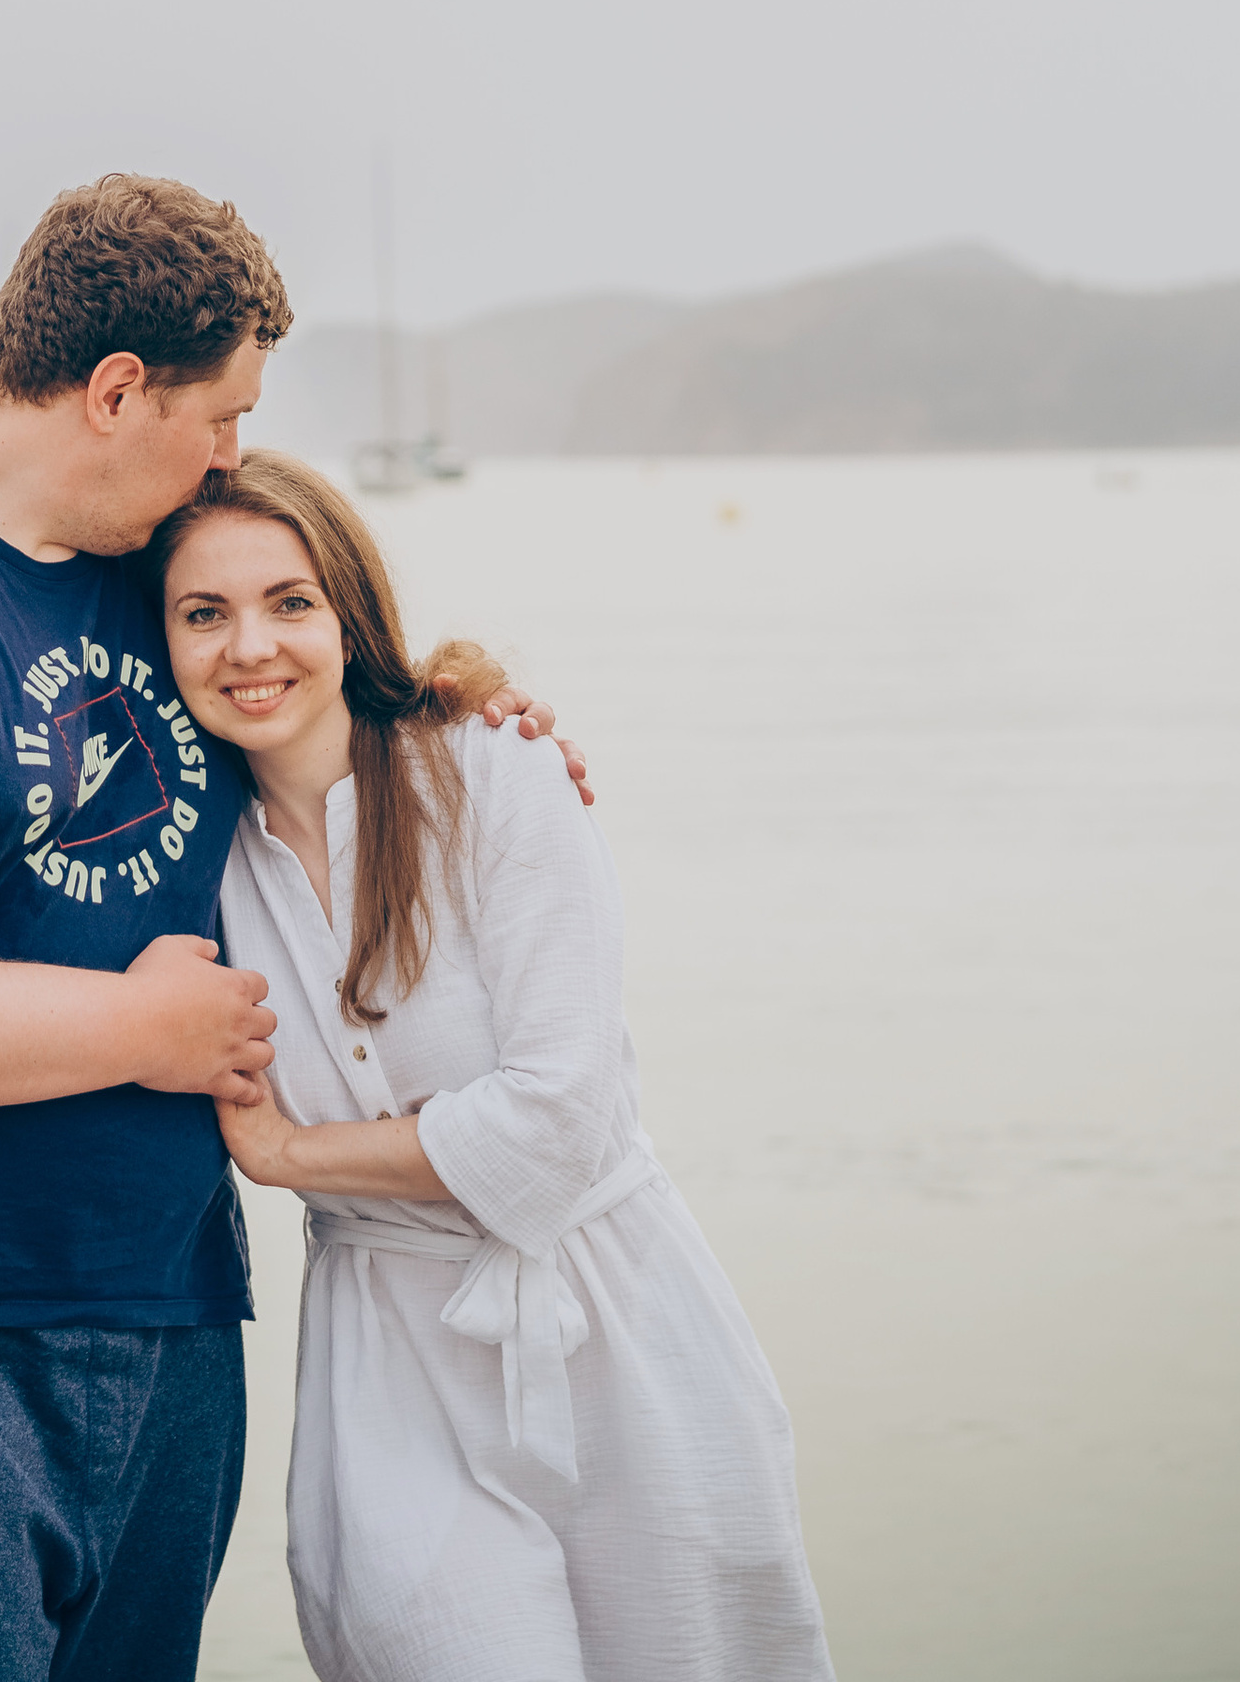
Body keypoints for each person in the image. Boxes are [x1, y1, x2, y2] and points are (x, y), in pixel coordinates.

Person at [0, 176, 587, 1682]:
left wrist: (471, 724)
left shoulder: (160, 577)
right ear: (117, 389)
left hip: (159, 1328)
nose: (233, 457)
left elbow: (315, 704)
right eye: (220, 419)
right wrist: (139, 1032)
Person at [153, 447, 835, 1682]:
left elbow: (561, 1123)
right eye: (204, 614)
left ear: (348, 612)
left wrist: (287, 1154)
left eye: (288, 602)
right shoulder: (189, 867)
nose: (249, 645)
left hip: (619, 1324)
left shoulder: (492, 770)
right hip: (391, 1367)